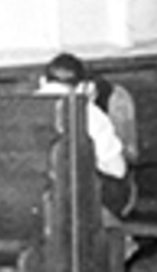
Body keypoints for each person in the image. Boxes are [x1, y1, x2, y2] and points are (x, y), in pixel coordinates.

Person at [38, 53, 132, 216]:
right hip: (79, 203)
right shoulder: (89, 112)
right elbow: (117, 170)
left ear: (42, 81)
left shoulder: (17, 108)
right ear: (83, 87)